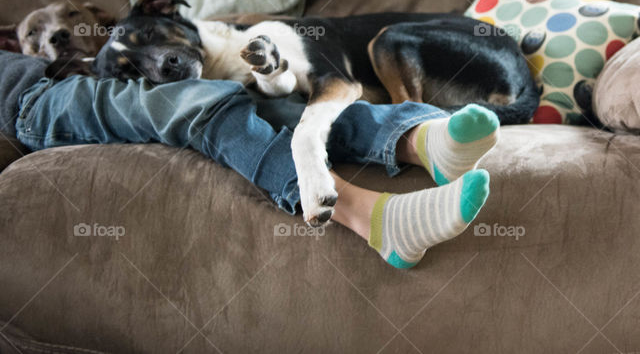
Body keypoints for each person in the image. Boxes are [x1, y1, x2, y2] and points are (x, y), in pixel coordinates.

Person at [0, 50, 501, 269]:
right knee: (186, 104)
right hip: (32, 107)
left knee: (267, 106)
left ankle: (417, 142)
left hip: (56, 81)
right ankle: (372, 219)